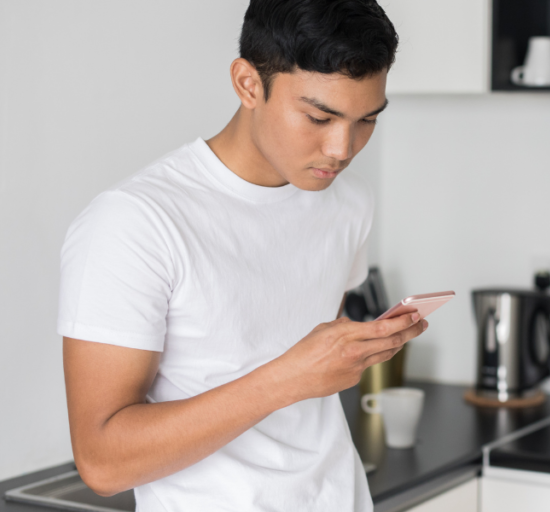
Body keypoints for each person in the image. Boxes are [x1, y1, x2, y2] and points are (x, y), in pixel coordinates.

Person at [58, 1, 414, 510]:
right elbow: (102, 463)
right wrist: (290, 377)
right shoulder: (135, 222)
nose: (342, 148)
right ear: (248, 84)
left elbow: (308, 342)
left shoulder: (348, 200)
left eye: (366, 120)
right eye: (319, 116)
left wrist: (361, 347)